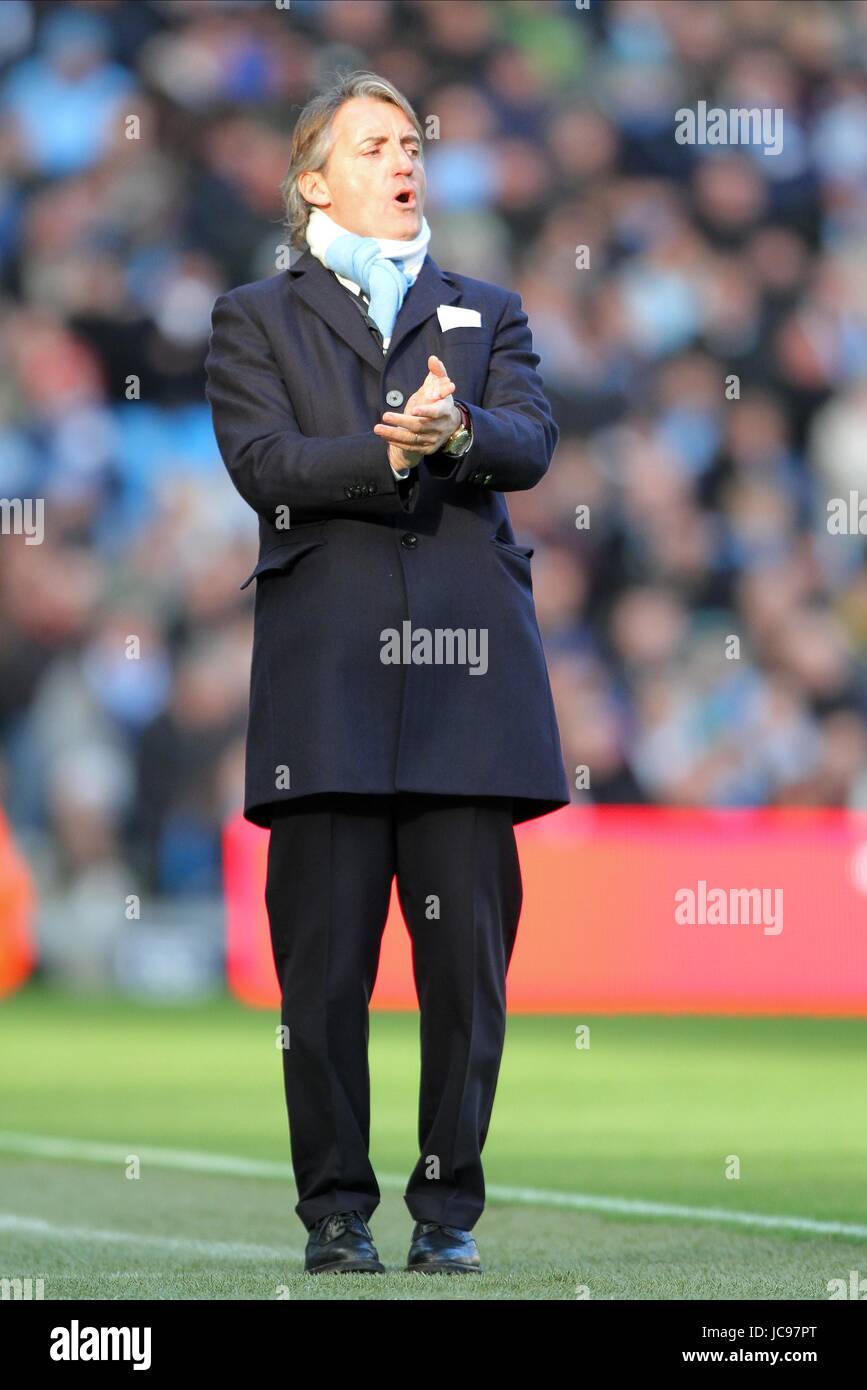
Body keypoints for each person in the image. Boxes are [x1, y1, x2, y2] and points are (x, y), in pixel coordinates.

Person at [204, 70, 570, 1276]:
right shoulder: (255, 314)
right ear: (316, 179)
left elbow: (531, 438)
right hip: (329, 691)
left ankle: (448, 1211)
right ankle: (336, 1215)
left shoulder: (488, 306)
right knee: (326, 979)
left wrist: (456, 434)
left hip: (470, 691)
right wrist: (388, 451)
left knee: (468, 973)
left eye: (411, 140)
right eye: (374, 143)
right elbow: (265, 464)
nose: (404, 159)